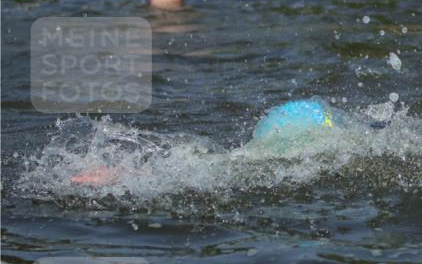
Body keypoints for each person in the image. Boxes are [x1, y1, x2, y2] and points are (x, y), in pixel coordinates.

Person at [71, 99, 357, 187]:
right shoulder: (312, 155)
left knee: (212, 164)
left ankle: (118, 173)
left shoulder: (256, 152)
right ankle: (118, 175)